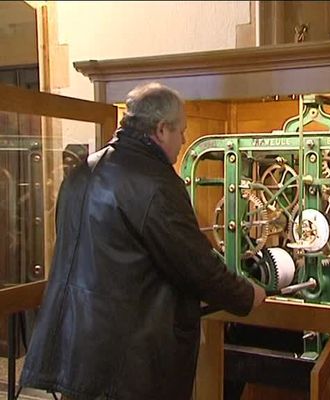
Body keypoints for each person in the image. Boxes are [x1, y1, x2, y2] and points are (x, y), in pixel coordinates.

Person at [20, 82, 266, 400]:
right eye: (182, 132)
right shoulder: (156, 184)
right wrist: (247, 295)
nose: (185, 141)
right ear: (162, 129)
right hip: (129, 364)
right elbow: (195, 267)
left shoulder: (82, 173)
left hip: (78, 351)